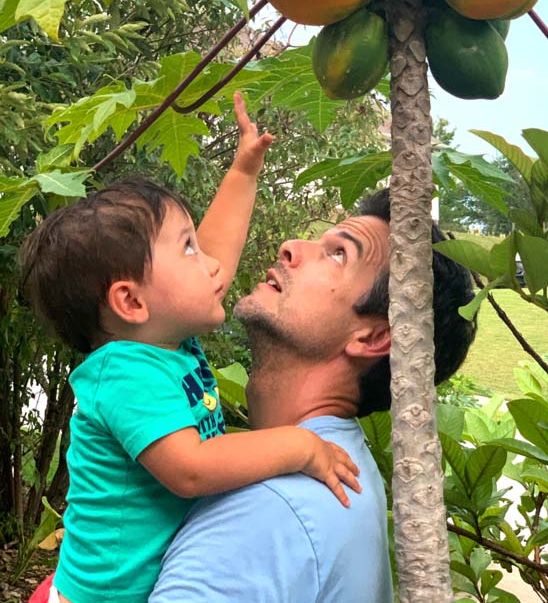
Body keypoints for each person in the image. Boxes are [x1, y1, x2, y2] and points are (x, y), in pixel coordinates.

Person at [21, 94, 360, 603]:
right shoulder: (123, 372)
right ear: (132, 301)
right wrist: (300, 447)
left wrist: (244, 170)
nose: (208, 262)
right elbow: (192, 468)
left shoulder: (165, 336)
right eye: (186, 247)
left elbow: (219, 251)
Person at [150, 187, 477, 602]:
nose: (290, 247)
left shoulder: (267, 513)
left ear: (374, 336)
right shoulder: (347, 469)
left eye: (338, 254)